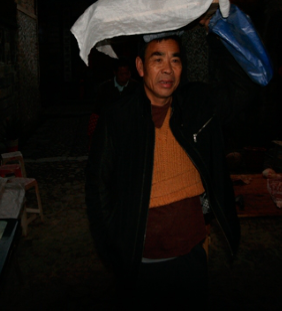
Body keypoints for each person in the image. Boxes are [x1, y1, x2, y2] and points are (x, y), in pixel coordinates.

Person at [86, 34, 243, 307]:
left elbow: (243, 90)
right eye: (158, 59)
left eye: (175, 60)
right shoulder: (119, 118)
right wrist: (117, 250)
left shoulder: (195, 106)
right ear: (140, 66)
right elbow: (98, 189)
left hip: (193, 256)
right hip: (142, 264)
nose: (168, 69)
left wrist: (219, 29)